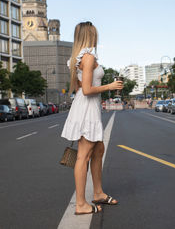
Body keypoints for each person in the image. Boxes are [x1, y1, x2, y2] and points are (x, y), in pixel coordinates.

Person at [61, 21, 123, 215]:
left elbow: (80, 88)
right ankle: (81, 204)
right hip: (87, 108)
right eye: (94, 34)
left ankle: (98, 193)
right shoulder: (87, 56)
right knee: (84, 155)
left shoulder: (76, 58)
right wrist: (110, 86)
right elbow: (87, 90)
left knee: (98, 149)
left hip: (87, 107)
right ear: (89, 35)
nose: (97, 37)